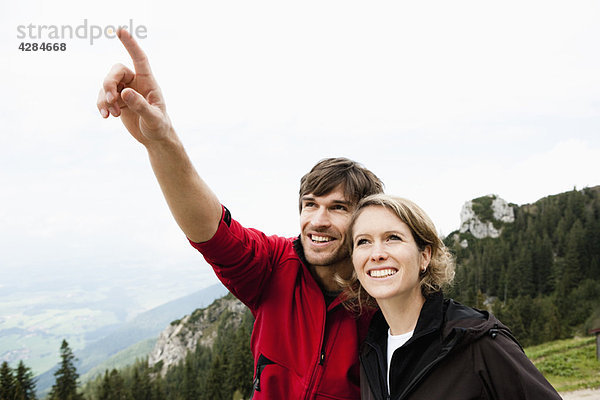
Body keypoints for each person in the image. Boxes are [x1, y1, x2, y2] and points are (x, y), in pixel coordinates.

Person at [96, 29, 384, 399]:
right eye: (310, 204)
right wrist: (161, 142)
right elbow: (210, 230)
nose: (318, 220)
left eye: (338, 208)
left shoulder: (384, 296)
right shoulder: (274, 266)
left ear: (365, 220)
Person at [344, 194, 562, 400]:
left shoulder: (477, 339)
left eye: (393, 238)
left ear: (424, 256)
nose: (377, 253)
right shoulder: (370, 350)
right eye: (363, 241)